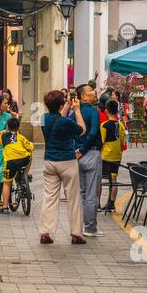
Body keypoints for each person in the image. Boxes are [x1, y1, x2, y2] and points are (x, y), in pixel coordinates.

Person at [40, 89, 87, 246]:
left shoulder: (43, 119)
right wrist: (77, 110)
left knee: (49, 198)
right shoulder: (66, 122)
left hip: (49, 162)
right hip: (67, 161)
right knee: (73, 198)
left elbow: (58, 119)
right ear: (61, 104)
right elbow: (82, 130)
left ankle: (45, 232)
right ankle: (76, 233)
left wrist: (66, 104)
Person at [74, 83, 104, 237]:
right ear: (83, 96)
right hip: (90, 152)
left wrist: (77, 150)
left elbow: (72, 132)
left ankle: (80, 226)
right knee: (92, 193)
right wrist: (83, 149)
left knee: (83, 193)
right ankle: (90, 228)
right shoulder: (93, 112)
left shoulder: (74, 113)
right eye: (91, 91)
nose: (94, 92)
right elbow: (93, 133)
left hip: (77, 155)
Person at [0, 117, 33, 214]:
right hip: (23, 160)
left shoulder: (3, 136)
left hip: (10, 163)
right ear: (18, 127)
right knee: (30, 155)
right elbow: (31, 146)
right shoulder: (21, 137)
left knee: (7, 183)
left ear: (8, 127)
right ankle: (25, 174)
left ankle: (5, 208)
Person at [99, 99, 125, 214]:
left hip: (105, 156)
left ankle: (97, 204)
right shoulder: (121, 126)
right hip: (117, 156)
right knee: (113, 180)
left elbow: (101, 141)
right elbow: (122, 143)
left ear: (106, 111)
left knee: (100, 180)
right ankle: (111, 204)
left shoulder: (104, 125)